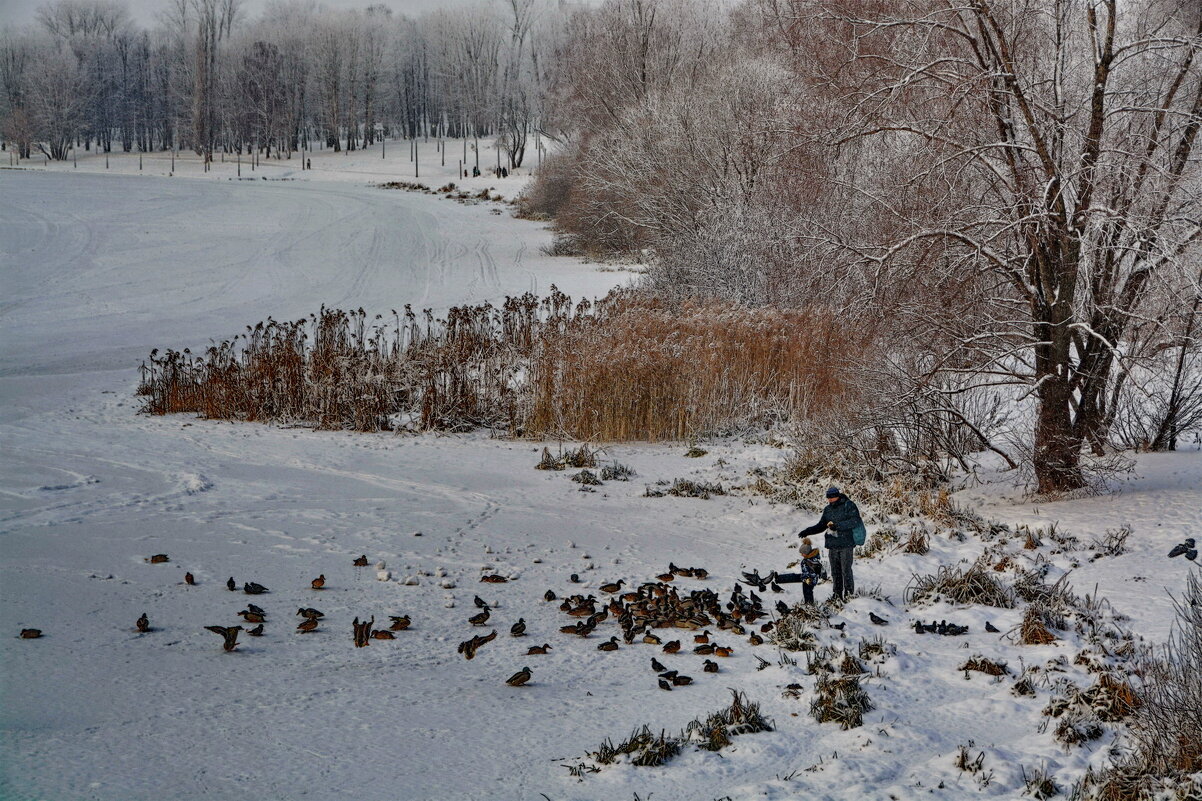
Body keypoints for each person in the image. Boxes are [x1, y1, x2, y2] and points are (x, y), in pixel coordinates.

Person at [797, 486, 862, 601]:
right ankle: (837, 595)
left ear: (837, 496)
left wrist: (838, 526)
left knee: (846, 570)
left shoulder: (848, 505)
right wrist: (808, 531)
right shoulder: (828, 509)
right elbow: (821, 525)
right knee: (835, 572)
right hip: (832, 545)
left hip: (846, 544)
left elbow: (855, 521)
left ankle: (849, 594)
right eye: (828, 497)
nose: (830, 499)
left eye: (832, 497)